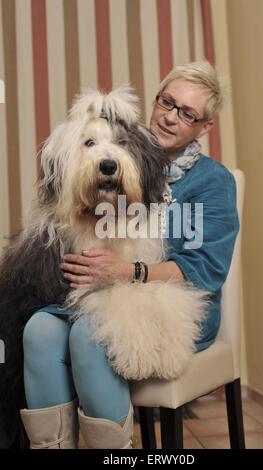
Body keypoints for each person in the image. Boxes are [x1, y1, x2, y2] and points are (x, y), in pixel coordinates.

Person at [20, 60, 239, 449]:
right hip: (96, 295)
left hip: (175, 303)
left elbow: (205, 271)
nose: (171, 118)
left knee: (91, 336)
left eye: (187, 114)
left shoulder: (212, 182)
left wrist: (127, 271)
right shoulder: (118, 150)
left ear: (204, 127)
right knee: (38, 330)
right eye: (168, 102)